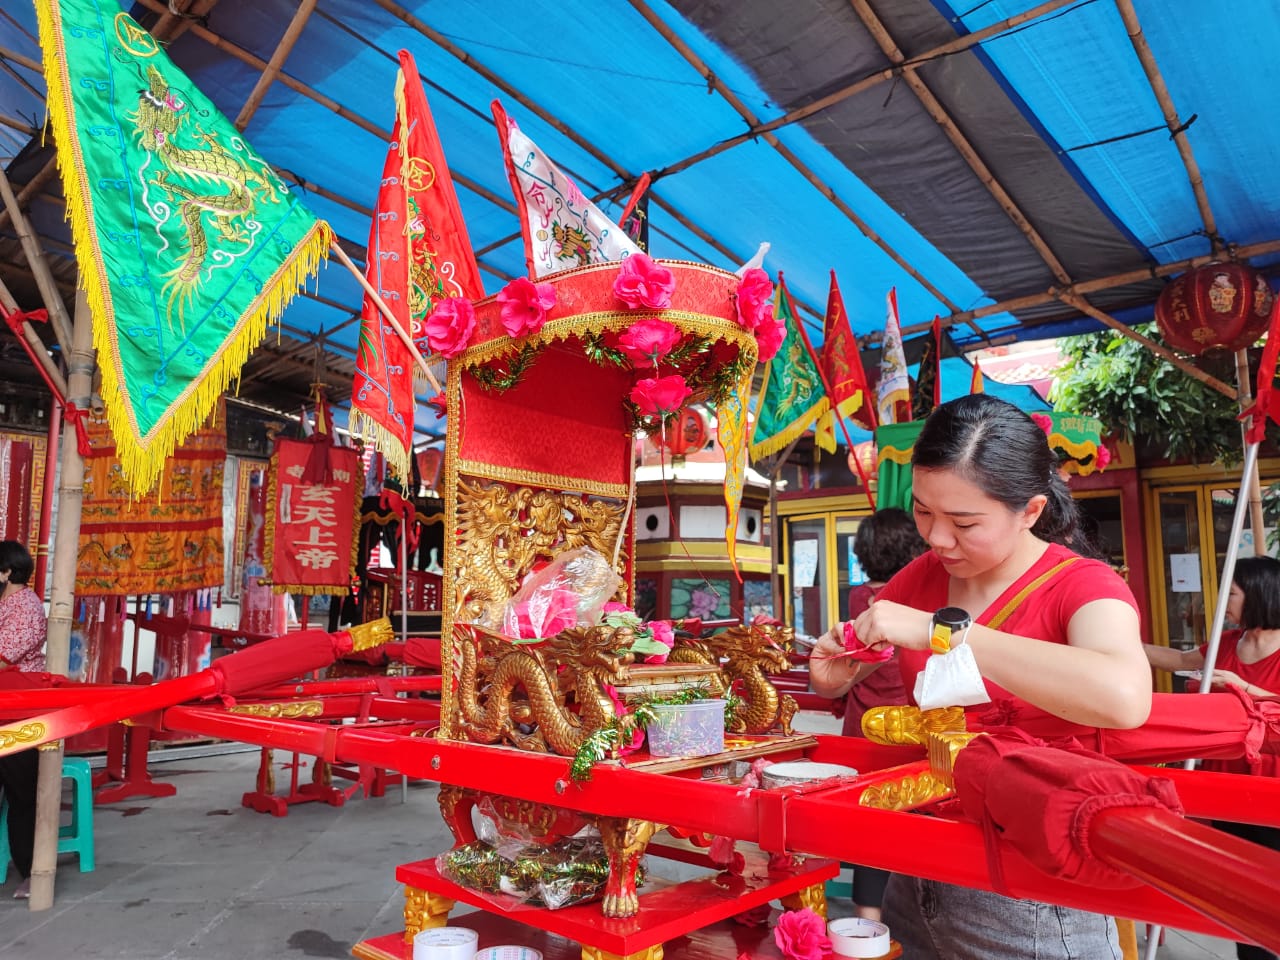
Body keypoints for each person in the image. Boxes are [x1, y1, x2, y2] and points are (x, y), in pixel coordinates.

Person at [811, 394, 1151, 960]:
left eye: (965, 522)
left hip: (1034, 888)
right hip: (916, 861)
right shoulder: (921, 578)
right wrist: (834, 674)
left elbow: (1123, 696)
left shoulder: (1084, 586)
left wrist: (949, 631)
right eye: (924, 511)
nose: (938, 539)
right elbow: (850, 670)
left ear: (1031, 511)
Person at [1144, 555, 1280, 960]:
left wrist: (1243, 687)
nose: (1224, 601)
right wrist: (1113, 646)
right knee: (1239, 889)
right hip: (1223, 781)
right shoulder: (1227, 642)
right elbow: (1181, 661)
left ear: (1259, 595)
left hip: (1271, 785)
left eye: (1232, 593)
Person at [811, 507, 925, 921]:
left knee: (871, 827)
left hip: (860, 727)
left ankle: (868, 920)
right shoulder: (912, 601)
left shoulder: (861, 599)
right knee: (912, 823)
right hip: (908, 729)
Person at [0, 540, 47, 901]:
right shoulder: (4, 604)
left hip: (18, 715)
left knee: (21, 796)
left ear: (5, 573)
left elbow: (3, 658)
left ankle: (32, 869)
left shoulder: (25, 608)